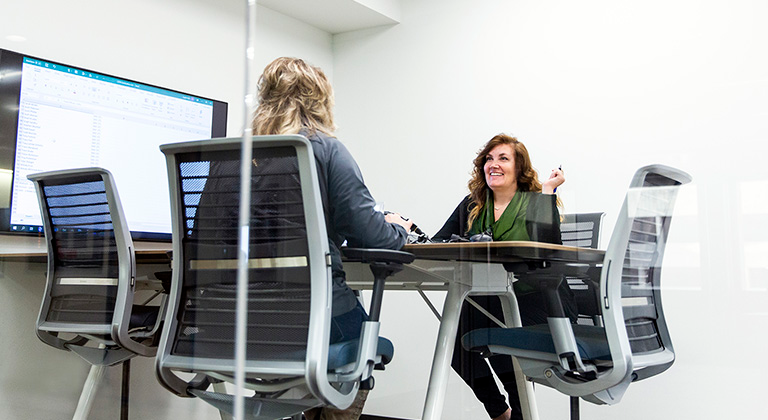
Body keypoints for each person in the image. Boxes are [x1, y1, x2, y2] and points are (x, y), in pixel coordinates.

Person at [252, 57, 412, 420]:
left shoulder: (230, 159)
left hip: (241, 320)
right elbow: (372, 234)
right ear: (319, 100)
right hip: (311, 314)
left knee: (304, 366)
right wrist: (398, 226)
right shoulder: (325, 149)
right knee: (363, 353)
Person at [432, 133, 572, 420]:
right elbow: (439, 244)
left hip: (541, 299)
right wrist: (407, 227)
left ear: (519, 169)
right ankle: (501, 413)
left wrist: (548, 192)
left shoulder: (535, 201)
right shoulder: (474, 205)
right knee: (455, 340)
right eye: (489, 159)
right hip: (492, 298)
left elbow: (549, 250)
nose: (493, 165)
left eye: (503, 158)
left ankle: (520, 414)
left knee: (501, 330)